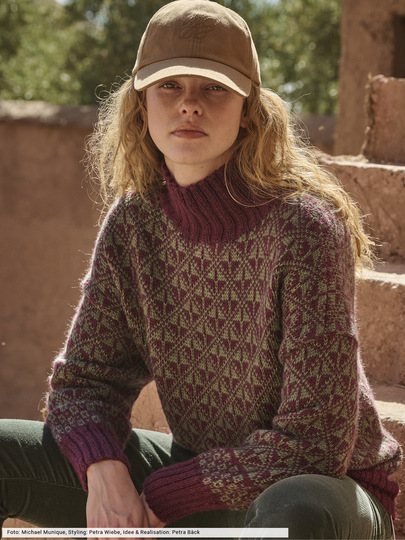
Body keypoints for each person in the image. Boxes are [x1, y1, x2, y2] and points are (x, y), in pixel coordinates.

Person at [0, 1, 402, 539]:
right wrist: (104, 468)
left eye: (214, 88)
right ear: (141, 104)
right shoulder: (135, 222)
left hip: (327, 490)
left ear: (248, 110)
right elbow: (83, 382)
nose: (189, 104)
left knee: (296, 507)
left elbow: (315, 443)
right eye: (169, 85)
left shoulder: (304, 227)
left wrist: (163, 496)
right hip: (197, 477)